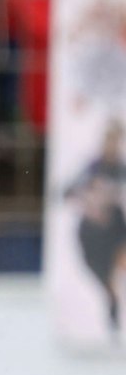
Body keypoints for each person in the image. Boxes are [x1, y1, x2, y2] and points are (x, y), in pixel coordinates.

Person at [63, 119, 126, 338]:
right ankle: (112, 310)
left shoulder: (121, 169)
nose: (113, 145)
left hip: (116, 231)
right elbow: (66, 192)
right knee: (106, 281)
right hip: (92, 236)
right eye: (109, 140)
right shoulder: (92, 168)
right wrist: (90, 201)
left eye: (116, 140)